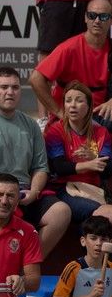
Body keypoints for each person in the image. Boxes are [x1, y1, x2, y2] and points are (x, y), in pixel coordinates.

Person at [0, 67, 71, 257]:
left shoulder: (31, 125)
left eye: (15, 87)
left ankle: (25, 266)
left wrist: (35, 192)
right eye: (4, 87)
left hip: (24, 194)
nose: (10, 92)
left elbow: (40, 168)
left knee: (61, 212)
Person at [29, 0, 112, 126]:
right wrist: (58, 112)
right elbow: (35, 79)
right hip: (70, 115)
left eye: (104, 17)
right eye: (92, 15)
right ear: (85, 18)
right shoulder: (68, 48)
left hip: (101, 113)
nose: (97, 21)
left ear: (110, 20)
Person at [45, 81, 112, 224]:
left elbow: (107, 169)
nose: (72, 105)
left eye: (79, 100)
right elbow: (59, 167)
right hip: (65, 189)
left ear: (89, 107)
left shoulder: (101, 132)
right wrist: (90, 164)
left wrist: (95, 157)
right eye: (68, 101)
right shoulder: (55, 131)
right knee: (101, 213)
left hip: (95, 189)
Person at [51, 216, 112, 297]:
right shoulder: (73, 268)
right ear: (83, 241)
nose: (99, 243)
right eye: (93, 238)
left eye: (103, 239)